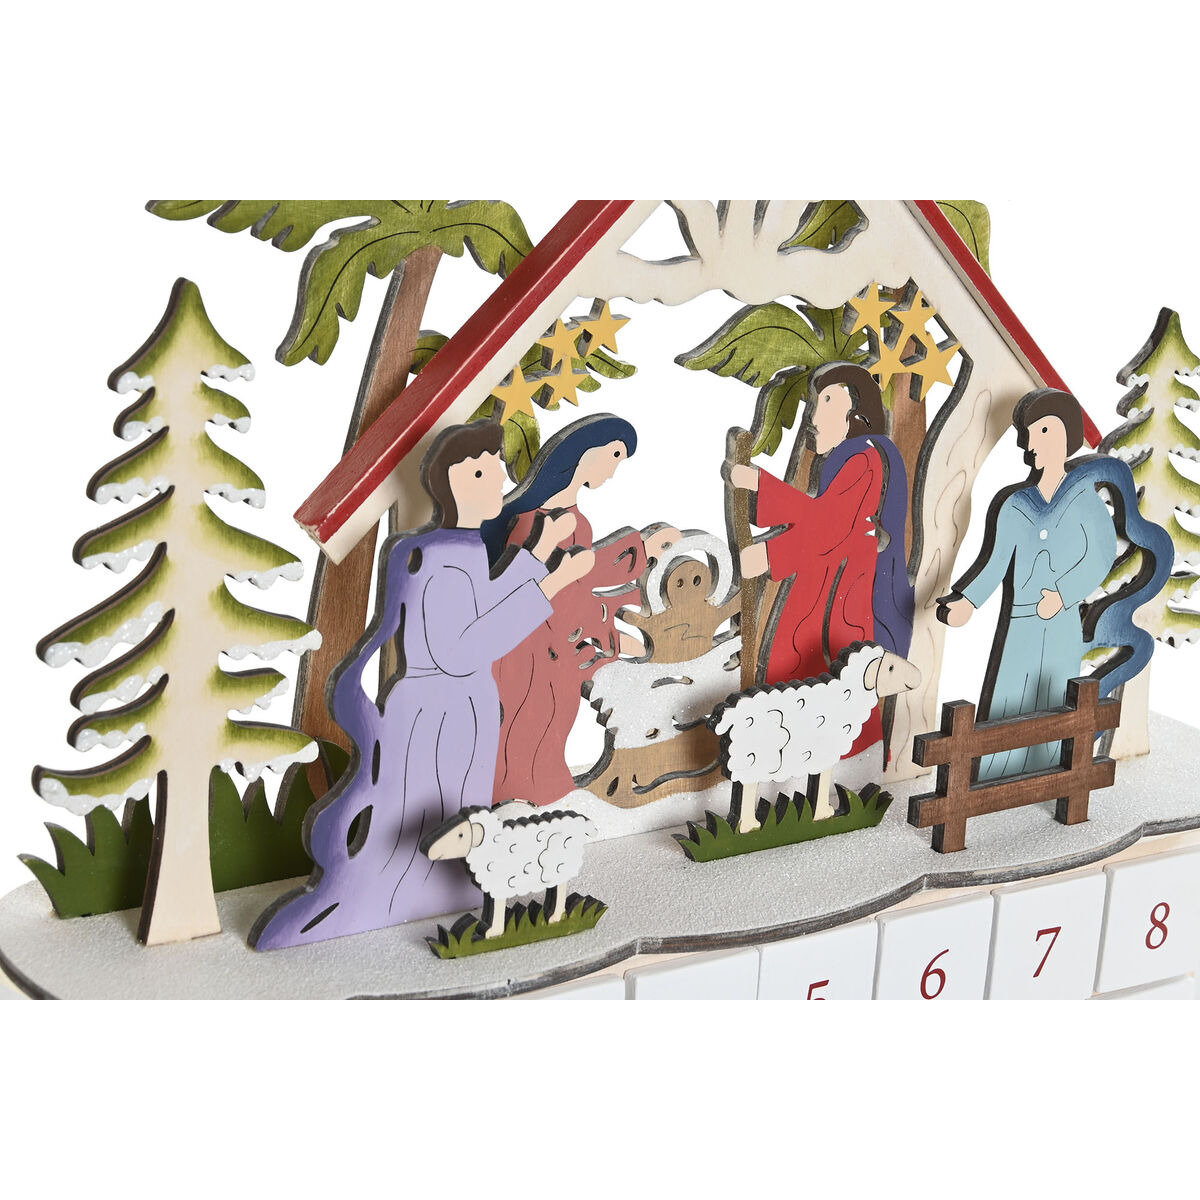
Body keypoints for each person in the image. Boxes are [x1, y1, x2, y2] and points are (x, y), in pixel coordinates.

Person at [251, 423, 593, 950]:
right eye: (481, 472)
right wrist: (552, 584)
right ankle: (404, 891)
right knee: (424, 812)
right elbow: (462, 649)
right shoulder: (437, 558)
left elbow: (486, 605)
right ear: (451, 483)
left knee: (456, 806)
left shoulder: (465, 548)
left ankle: (455, 887)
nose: (498, 480)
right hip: (440, 710)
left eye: (496, 469)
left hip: (464, 708)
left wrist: (538, 552)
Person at [482, 415, 680, 806]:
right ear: (585, 453)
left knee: (555, 721)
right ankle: (512, 802)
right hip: (527, 649)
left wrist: (643, 549)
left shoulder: (577, 520)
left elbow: (584, 571)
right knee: (528, 725)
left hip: (554, 650)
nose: (612, 470)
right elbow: (549, 587)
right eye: (614, 456)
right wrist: (611, 633)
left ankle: (544, 801)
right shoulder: (527, 522)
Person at [729, 362, 913, 759]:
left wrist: (769, 550)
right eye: (816, 403)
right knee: (793, 663)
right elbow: (819, 517)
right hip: (822, 575)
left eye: (827, 402)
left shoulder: (864, 459)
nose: (814, 417)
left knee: (831, 668)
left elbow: (827, 524)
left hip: (843, 586)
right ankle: (784, 752)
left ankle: (846, 758)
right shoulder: (840, 459)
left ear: (855, 411)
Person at [940, 390, 1117, 779]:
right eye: (1029, 432)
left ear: (1066, 436)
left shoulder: (1085, 501)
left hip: (1062, 624)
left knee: (1055, 693)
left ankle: (1052, 770)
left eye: (1043, 431)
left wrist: (1065, 594)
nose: (1032, 442)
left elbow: (1100, 556)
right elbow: (994, 562)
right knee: (1010, 696)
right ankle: (996, 774)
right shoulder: (1015, 505)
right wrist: (967, 602)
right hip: (1020, 621)